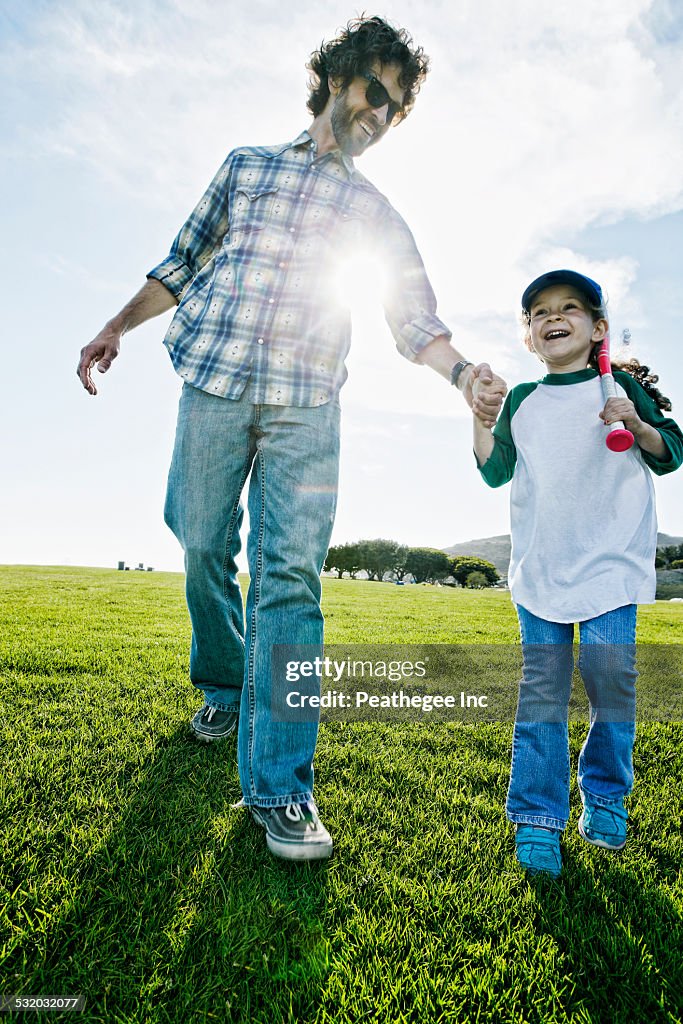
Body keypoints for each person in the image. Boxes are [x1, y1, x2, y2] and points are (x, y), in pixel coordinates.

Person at [77, 15, 505, 862]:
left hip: (307, 403)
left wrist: (464, 378)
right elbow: (180, 262)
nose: (379, 113)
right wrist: (114, 327)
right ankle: (225, 682)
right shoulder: (245, 168)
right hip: (214, 383)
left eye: (395, 107)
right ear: (335, 79)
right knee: (199, 542)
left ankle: (282, 786)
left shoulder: (373, 209)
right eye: (371, 90)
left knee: (290, 582)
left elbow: (410, 316)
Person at [472, 269, 682, 878]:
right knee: (542, 694)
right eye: (539, 312)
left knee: (610, 683)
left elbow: (670, 455)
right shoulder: (523, 401)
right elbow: (494, 472)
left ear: (598, 330)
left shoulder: (617, 390)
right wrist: (480, 419)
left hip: (611, 565)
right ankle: (537, 816)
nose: (553, 316)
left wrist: (638, 425)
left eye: (569, 308)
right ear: (530, 336)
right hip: (542, 568)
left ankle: (606, 796)